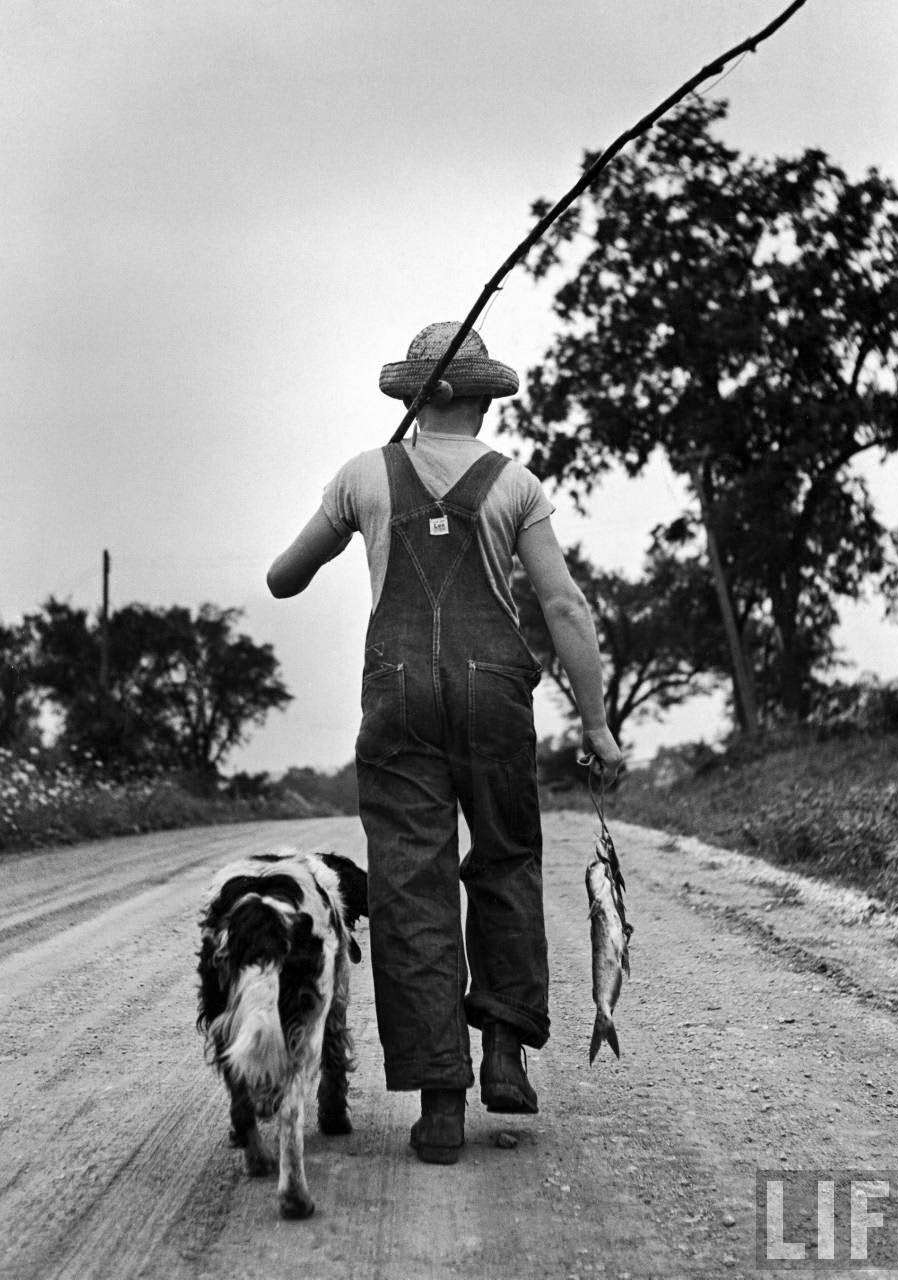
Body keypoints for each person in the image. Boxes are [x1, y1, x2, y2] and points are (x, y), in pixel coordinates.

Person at [267, 322, 622, 1164]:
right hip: (494, 692)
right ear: (483, 397)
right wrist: (598, 725)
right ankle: (503, 1048)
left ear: (412, 399)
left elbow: (284, 577)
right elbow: (565, 609)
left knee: (410, 886)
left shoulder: (363, 474)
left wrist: (359, 508)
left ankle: (437, 1103)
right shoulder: (516, 485)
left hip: (395, 695)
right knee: (503, 861)